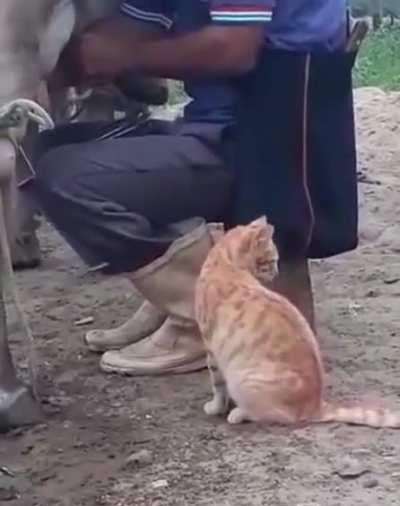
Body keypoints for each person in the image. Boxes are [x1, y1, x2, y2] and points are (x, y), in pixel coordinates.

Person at [34, 0, 357, 378]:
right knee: (39, 152)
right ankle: (180, 292)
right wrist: (58, 60)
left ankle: (210, 316)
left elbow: (234, 48)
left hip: (263, 139)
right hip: (217, 128)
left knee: (63, 176)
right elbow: (134, 24)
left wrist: (125, 56)